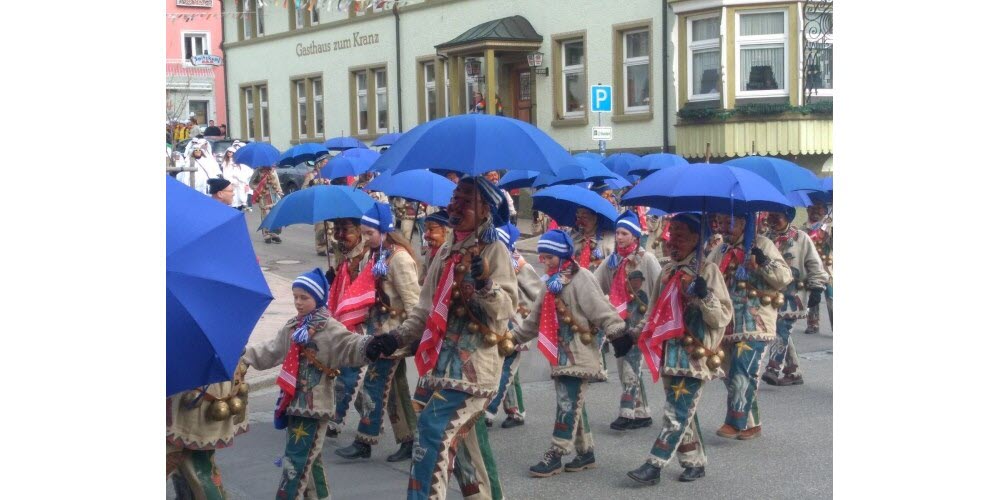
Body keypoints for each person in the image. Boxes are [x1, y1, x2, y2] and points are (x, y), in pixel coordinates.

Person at [370, 175, 517, 500]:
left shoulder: (494, 249)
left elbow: (506, 308)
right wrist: (395, 339)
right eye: (456, 197)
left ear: (484, 210)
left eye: (467, 200)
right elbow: (424, 309)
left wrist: (485, 285)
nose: (456, 205)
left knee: (433, 432)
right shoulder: (448, 248)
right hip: (440, 368)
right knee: (465, 452)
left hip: (473, 371)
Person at [240, 268, 385, 500]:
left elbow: (350, 344)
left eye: (304, 297)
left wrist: (370, 345)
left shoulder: (329, 327)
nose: (298, 302)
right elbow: (271, 350)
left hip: (315, 407)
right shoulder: (292, 327)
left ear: (317, 298)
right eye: (295, 296)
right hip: (292, 402)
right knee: (309, 457)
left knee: (295, 461)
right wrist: (244, 354)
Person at [624, 213, 733, 486]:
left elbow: (722, 317)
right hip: (670, 354)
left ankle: (654, 464)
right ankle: (694, 462)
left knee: (676, 412)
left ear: (698, 239)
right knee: (683, 410)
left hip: (696, 355)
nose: (673, 242)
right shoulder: (668, 271)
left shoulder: (708, 271)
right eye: (672, 235)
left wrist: (704, 295)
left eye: (682, 236)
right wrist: (636, 332)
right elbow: (654, 312)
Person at [510, 229, 629, 477]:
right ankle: (585, 452)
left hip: (579, 352)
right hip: (560, 355)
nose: (544, 262)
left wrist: (618, 333)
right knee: (573, 401)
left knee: (567, 401)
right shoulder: (551, 284)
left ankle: (556, 453)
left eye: (549, 257)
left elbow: (600, 308)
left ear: (563, 255)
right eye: (542, 257)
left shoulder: (581, 277)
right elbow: (534, 320)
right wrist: (513, 339)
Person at [334, 202, 421, 463]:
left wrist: (404, 337)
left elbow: (414, 303)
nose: (366, 238)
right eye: (363, 233)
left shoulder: (400, 259)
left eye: (369, 233)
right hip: (378, 334)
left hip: (392, 337)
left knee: (373, 384)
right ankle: (409, 438)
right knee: (394, 388)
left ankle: (364, 441)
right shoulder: (378, 254)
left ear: (384, 231)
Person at [705, 212, 792, 440]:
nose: (723, 227)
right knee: (728, 371)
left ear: (744, 222)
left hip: (756, 321)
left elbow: (784, 277)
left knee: (744, 369)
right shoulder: (721, 249)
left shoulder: (763, 243)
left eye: (729, 222)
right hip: (728, 322)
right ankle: (752, 424)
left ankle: (734, 421)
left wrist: (763, 262)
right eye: (721, 222)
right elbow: (708, 273)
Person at [594, 210, 662, 430]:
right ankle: (642, 413)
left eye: (624, 233)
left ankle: (626, 411)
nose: (620, 237)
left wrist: (652, 321)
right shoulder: (612, 262)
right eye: (617, 233)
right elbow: (595, 285)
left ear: (635, 236)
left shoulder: (648, 259)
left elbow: (659, 290)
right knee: (625, 363)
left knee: (631, 363)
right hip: (620, 323)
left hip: (642, 321)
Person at [761, 208, 829, 386]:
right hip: (769, 294)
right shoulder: (764, 238)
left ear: (788, 218)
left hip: (793, 294)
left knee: (781, 329)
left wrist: (817, 287)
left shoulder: (801, 237)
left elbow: (814, 263)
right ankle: (793, 371)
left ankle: (773, 368)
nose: (773, 220)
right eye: (771, 216)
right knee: (780, 329)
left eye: (778, 217)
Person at [484, 222, 542, 429]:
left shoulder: (520, 265)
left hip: (516, 325)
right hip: (497, 322)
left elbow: (539, 295)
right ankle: (516, 411)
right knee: (507, 368)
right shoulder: (490, 262)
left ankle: (488, 411)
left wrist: (525, 312)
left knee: (505, 366)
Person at [324, 217, 374, 438]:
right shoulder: (344, 256)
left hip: (361, 324)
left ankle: (338, 421)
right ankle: (372, 420)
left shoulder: (366, 258)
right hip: (342, 323)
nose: (340, 235)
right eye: (337, 230)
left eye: (346, 230)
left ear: (360, 232)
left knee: (350, 374)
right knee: (359, 379)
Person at [803, 200, 833, 334]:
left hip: (828, 269)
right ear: (807, 210)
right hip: (811, 269)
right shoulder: (803, 229)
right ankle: (812, 323)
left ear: (825, 211)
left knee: (831, 298)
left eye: (819, 208)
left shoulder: (829, 228)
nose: (815, 211)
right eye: (812, 208)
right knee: (812, 297)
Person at [303, 154, 335, 256]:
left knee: (331, 226)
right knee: (321, 227)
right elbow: (304, 189)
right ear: (318, 163)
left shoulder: (328, 175)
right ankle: (321, 247)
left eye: (327, 162)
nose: (326, 164)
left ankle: (331, 245)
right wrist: (312, 184)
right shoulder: (311, 175)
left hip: (328, 202)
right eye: (325, 162)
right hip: (318, 203)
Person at [570, 207, 615, 273]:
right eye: (578, 217)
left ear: (595, 218)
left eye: (584, 217)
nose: (580, 222)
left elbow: (612, 266)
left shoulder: (609, 239)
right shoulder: (573, 238)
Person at [419, 210, 451, 285]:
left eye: (431, 230)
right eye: (426, 229)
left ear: (445, 231)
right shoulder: (429, 251)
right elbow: (422, 280)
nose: (426, 236)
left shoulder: (450, 256)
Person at [220, 147, 253, 211]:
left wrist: (242, 180)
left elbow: (247, 172)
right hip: (231, 184)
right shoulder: (225, 163)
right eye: (229, 152)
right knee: (232, 201)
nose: (230, 153)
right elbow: (226, 175)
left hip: (240, 184)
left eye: (232, 152)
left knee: (240, 200)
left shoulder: (238, 162)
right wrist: (232, 181)